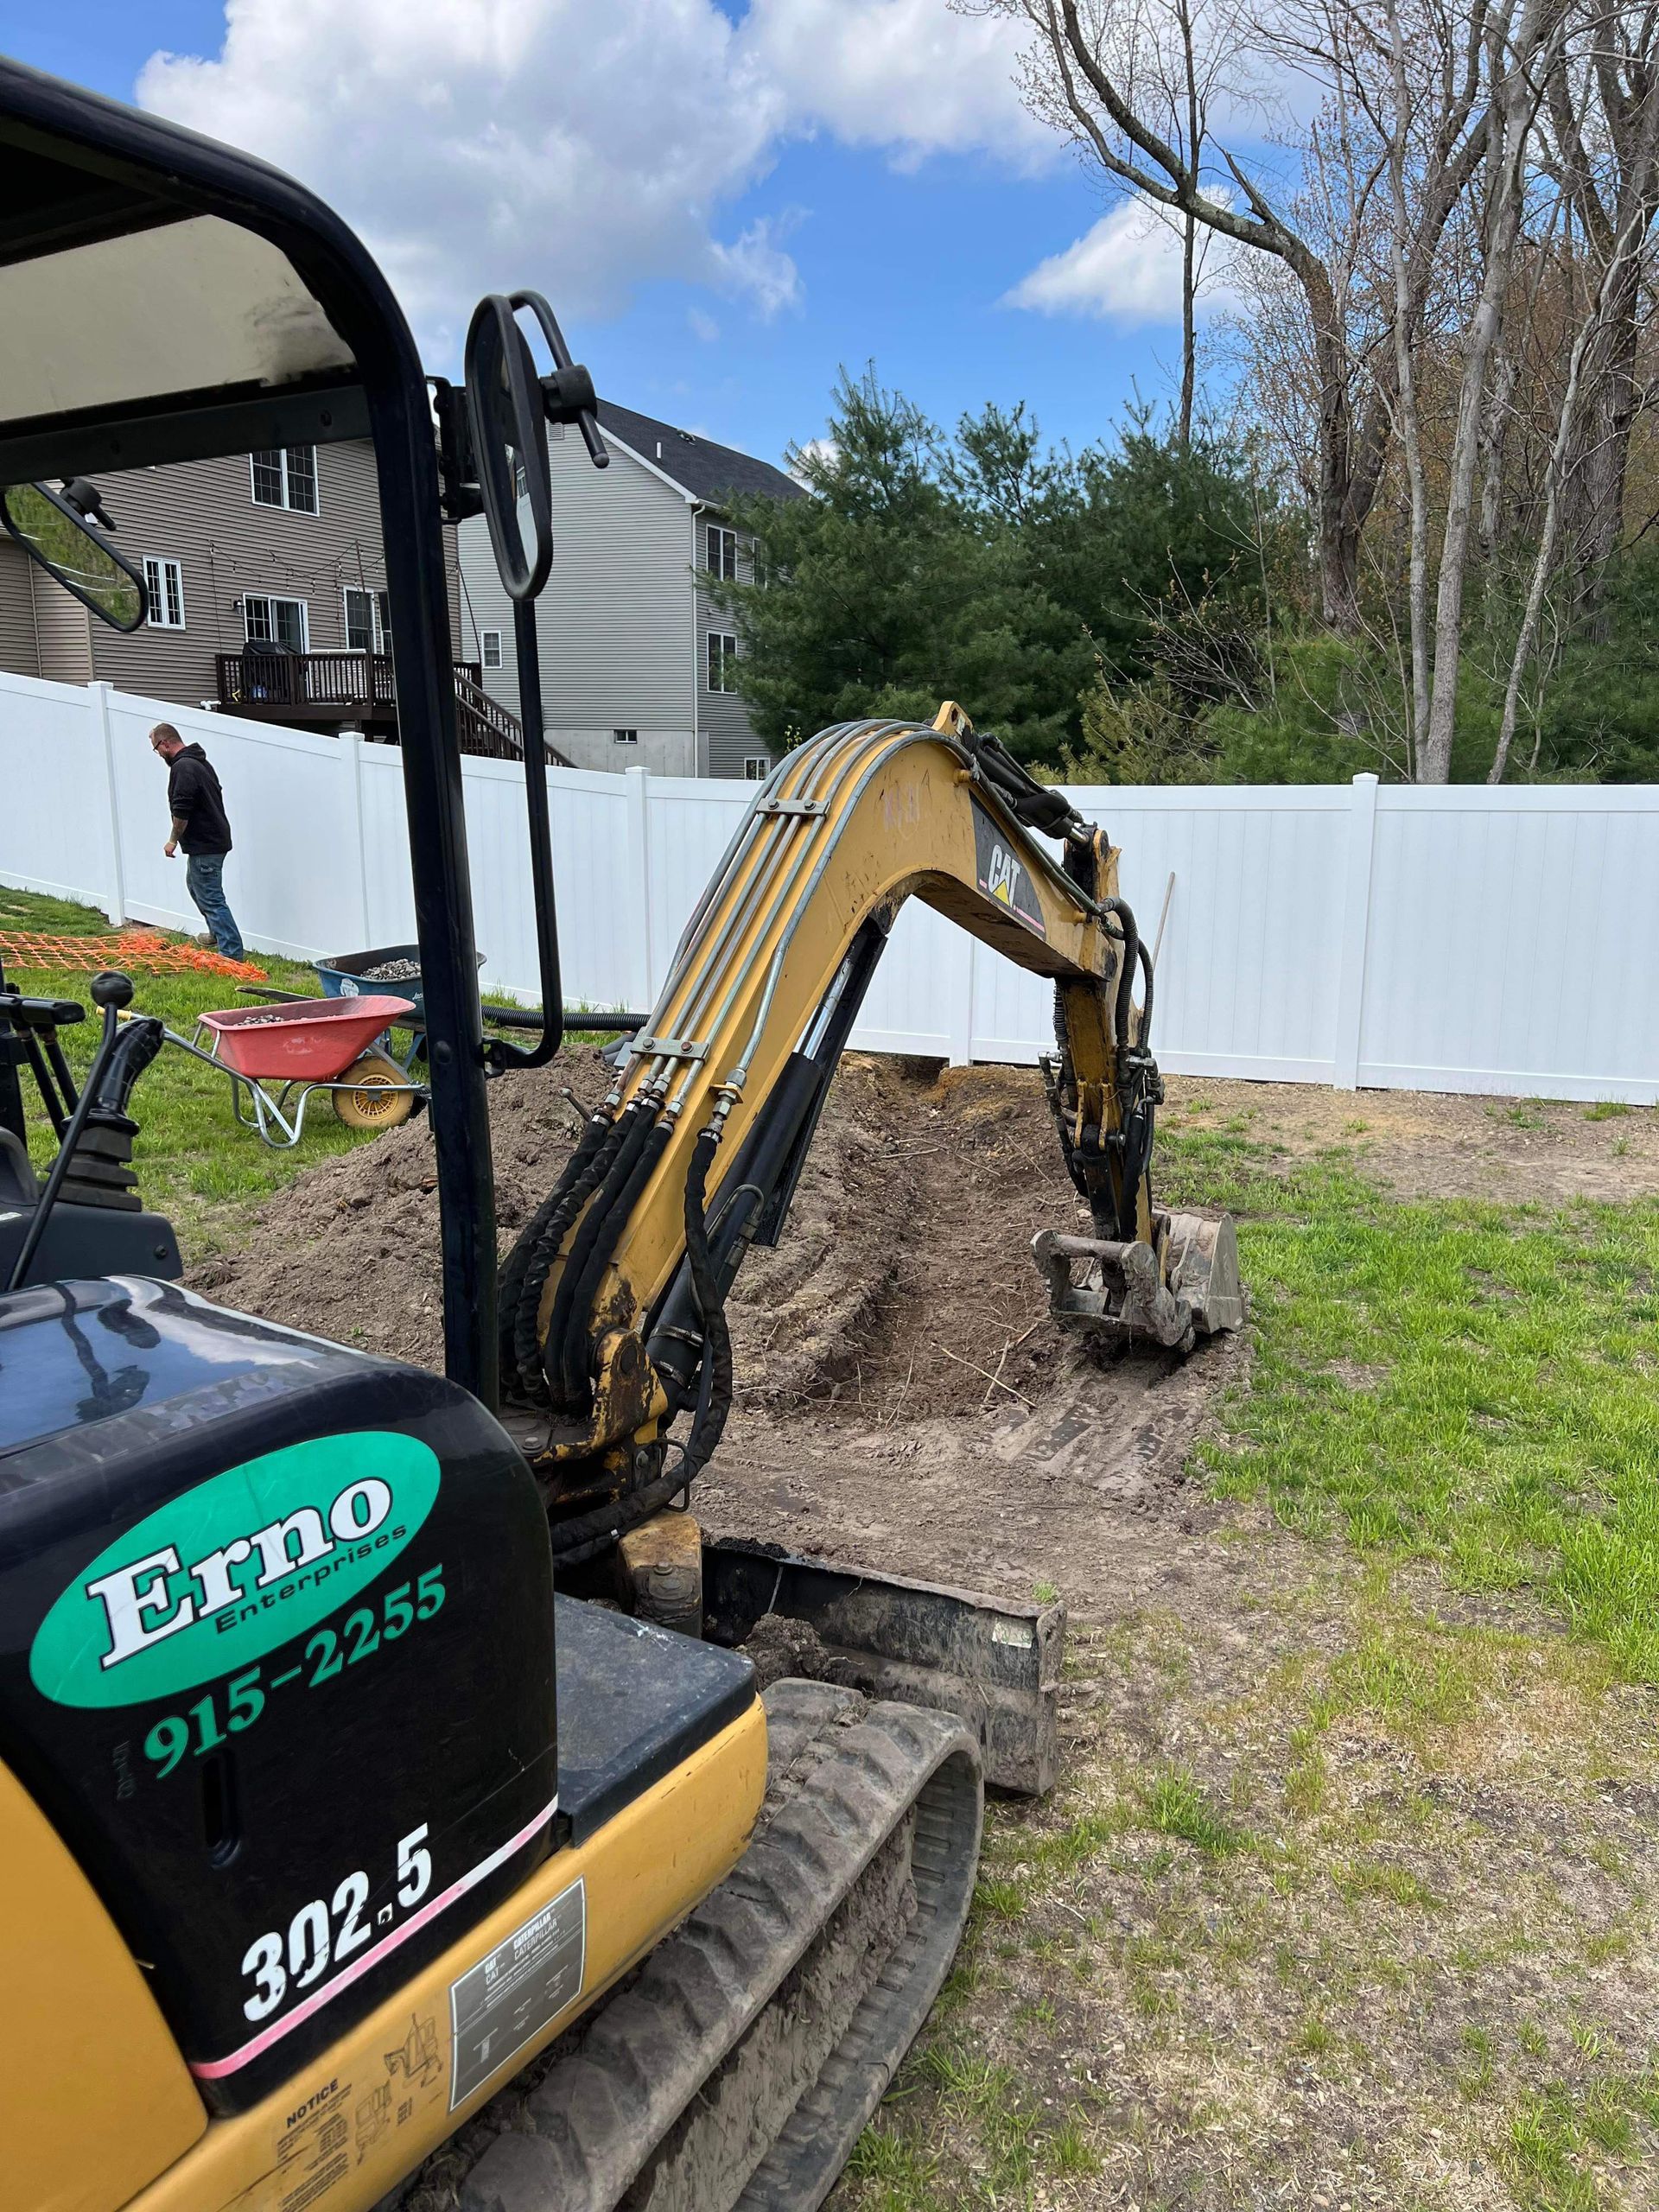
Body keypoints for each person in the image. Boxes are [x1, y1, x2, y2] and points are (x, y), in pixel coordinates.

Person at [149, 722, 245, 961]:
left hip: (206, 842)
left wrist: (172, 840)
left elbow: (182, 809)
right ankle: (216, 933)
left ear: (165, 743)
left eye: (156, 749)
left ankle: (231, 954)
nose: (158, 754)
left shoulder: (184, 767)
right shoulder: (199, 762)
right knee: (195, 885)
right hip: (213, 839)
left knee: (212, 897)